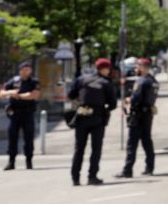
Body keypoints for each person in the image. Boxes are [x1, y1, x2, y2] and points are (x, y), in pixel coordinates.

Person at [68, 58, 117, 186]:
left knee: (79, 149)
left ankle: (75, 178)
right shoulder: (106, 83)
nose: (109, 71)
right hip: (97, 118)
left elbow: (71, 95)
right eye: (108, 68)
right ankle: (92, 176)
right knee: (96, 149)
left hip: (82, 116)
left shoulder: (82, 79)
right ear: (104, 69)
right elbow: (113, 104)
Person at [115, 58, 158, 178]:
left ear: (143, 67)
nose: (136, 69)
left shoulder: (142, 81)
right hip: (147, 114)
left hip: (138, 115)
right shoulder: (153, 80)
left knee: (132, 144)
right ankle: (149, 167)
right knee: (147, 141)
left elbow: (135, 98)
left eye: (137, 66)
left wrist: (128, 99)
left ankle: (127, 170)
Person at [0, 61, 40, 171]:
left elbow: (34, 95)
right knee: (12, 137)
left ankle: (29, 161)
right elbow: (1, 93)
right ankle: (11, 161)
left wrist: (18, 96)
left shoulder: (33, 82)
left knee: (29, 138)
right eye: (23, 69)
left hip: (28, 113)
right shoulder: (14, 81)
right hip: (15, 114)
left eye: (28, 69)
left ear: (31, 70)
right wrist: (11, 92)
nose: (25, 71)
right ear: (20, 70)